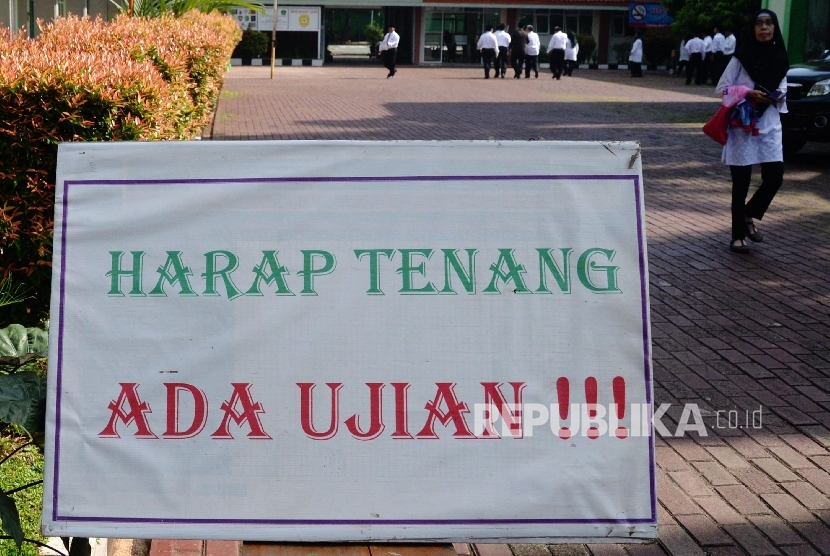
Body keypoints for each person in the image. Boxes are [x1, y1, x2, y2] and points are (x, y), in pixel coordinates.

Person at [716, 9, 789, 254]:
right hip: (743, 126)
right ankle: (737, 235)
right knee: (741, 182)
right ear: (753, 29)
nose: (764, 28)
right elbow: (723, 89)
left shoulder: (781, 57)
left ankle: (749, 213)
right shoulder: (741, 57)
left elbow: (782, 87)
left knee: (775, 177)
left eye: (769, 23)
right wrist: (748, 93)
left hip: (769, 124)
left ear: (775, 28)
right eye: (759, 24)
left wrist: (777, 96)